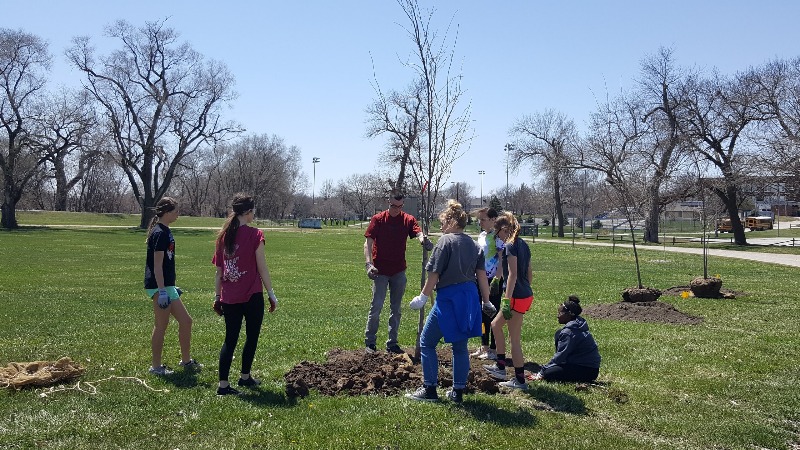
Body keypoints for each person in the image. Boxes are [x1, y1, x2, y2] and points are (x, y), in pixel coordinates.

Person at [405, 200, 495, 403]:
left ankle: (429, 389)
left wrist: (422, 297)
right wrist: (487, 301)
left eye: (443, 222)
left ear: (453, 221)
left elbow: (434, 274)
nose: (441, 227)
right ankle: (457, 392)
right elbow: (481, 275)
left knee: (426, 342)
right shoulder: (473, 245)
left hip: (448, 298)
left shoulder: (445, 242)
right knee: (460, 347)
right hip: (469, 297)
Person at [212, 194, 278, 396]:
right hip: (252, 295)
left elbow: (219, 272)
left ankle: (224, 385)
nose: (254, 214)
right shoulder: (255, 234)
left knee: (230, 339)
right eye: (253, 211)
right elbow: (262, 268)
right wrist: (271, 293)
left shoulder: (223, 236)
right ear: (247, 212)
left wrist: (217, 297)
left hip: (229, 297)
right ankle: (245, 376)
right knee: (252, 336)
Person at [363, 191, 432, 354]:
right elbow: (368, 242)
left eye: (400, 206)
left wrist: (423, 239)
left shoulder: (407, 219)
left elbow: (417, 232)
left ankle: (392, 343)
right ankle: (370, 342)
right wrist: (368, 264)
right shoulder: (378, 219)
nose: (396, 209)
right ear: (388, 203)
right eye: (394, 206)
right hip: (380, 271)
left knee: (396, 309)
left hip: (398, 271)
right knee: (377, 306)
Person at [144, 197, 202, 375]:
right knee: (161, 325)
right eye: (176, 211)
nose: (178, 214)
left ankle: (186, 361)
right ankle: (156, 367)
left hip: (167, 286)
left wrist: (171, 287)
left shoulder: (165, 230)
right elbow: (157, 265)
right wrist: (162, 291)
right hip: (159, 286)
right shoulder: (159, 233)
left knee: (186, 321)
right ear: (167, 212)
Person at [484, 211, 533, 390]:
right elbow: (529, 273)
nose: (499, 238)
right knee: (496, 326)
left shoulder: (510, 246)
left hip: (515, 297)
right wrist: (499, 279)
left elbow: (512, 274)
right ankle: (500, 366)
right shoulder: (524, 244)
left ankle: (519, 380)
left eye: (499, 234)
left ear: (505, 229)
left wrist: (506, 299)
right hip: (525, 294)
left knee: (514, 339)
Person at [529, 295, 601, 383]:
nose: (557, 316)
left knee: (548, 374)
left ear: (569, 315)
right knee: (558, 334)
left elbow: (560, 356)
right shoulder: (577, 324)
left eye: (560, 313)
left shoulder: (569, 333)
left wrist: (542, 372)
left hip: (587, 370)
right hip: (588, 367)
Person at [470, 207, 504, 360]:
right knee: (481, 315)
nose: (481, 222)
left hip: (493, 280)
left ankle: (494, 348)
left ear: (493, 220)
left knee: (492, 314)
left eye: (483, 219)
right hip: (481, 279)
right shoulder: (482, 235)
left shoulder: (497, 237)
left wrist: (497, 279)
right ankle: (484, 345)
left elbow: (502, 259)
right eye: (479, 220)